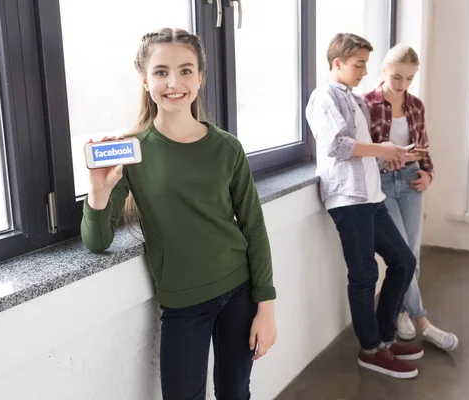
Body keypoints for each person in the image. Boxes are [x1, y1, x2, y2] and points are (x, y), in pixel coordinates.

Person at [80, 28, 277, 399]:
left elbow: (253, 227)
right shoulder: (131, 149)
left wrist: (265, 308)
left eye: (186, 70)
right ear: (144, 79)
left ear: (200, 77)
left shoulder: (227, 147)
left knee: (236, 392)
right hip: (183, 304)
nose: (174, 82)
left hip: (240, 291)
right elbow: (97, 241)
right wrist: (98, 190)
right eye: (161, 72)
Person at [305, 33, 423, 379]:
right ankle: (371, 349)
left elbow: (362, 146)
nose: (364, 72)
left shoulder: (354, 98)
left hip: (372, 197)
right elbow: (338, 146)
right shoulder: (323, 96)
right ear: (337, 63)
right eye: (358, 65)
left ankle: (385, 338)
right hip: (349, 200)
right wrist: (383, 149)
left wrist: (394, 156)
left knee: (403, 261)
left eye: (366, 65)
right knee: (364, 275)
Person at [364, 44, 458, 351]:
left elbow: (423, 145)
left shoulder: (416, 104)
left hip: (410, 180)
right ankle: (423, 323)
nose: (402, 84)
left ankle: (402, 310)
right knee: (401, 254)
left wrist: (428, 173)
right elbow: (364, 152)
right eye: (396, 76)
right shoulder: (367, 104)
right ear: (383, 71)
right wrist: (384, 157)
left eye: (409, 78)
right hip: (382, 184)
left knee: (412, 255)